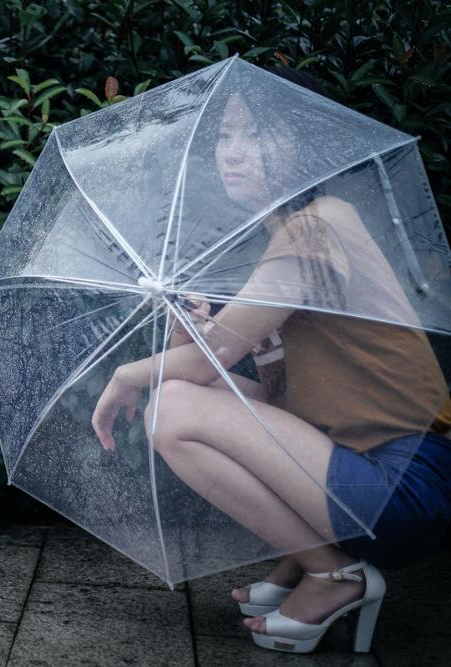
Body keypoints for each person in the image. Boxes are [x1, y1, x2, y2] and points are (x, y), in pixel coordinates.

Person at [91, 66, 451, 654]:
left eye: (255, 134)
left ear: (304, 145)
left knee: (172, 407)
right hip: (372, 472)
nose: (232, 151)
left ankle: (335, 575)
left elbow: (204, 371)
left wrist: (126, 373)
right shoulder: (290, 233)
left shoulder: (317, 226)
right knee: (190, 399)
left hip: (401, 485)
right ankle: (306, 562)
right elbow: (278, 403)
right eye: (225, 136)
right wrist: (190, 331)